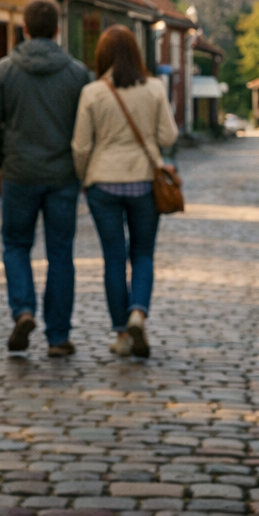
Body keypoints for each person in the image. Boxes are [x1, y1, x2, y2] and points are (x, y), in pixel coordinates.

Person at [0, 0, 92, 357]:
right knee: (60, 253)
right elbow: (86, 129)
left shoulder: (4, 70)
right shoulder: (77, 74)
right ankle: (58, 336)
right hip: (63, 176)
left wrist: (1, 161)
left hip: (19, 174)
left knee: (16, 245)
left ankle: (23, 309)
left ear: (24, 29)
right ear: (58, 29)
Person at [71, 25, 179, 358]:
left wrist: (84, 178)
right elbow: (169, 136)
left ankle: (121, 334)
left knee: (114, 258)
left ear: (101, 55)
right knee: (143, 254)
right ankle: (138, 313)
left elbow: (80, 146)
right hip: (144, 181)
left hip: (103, 182)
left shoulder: (92, 92)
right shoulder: (154, 88)